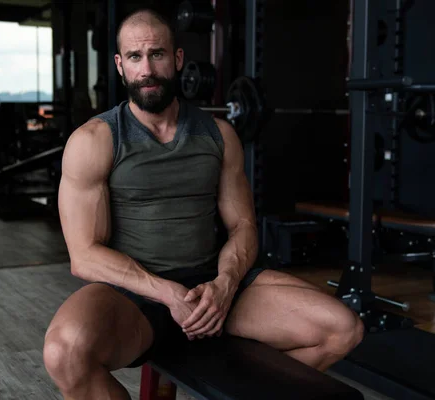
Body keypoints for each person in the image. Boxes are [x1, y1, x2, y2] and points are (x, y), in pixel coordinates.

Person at [43, 6, 364, 399]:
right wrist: (167, 293)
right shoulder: (94, 140)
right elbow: (84, 256)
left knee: (342, 329)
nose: (147, 69)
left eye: (157, 54)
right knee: (65, 353)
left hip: (213, 287)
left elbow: (243, 227)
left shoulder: (219, 135)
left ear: (178, 59)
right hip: (134, 296)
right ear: (120, 65)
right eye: (134, 57)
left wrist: (225, 285)